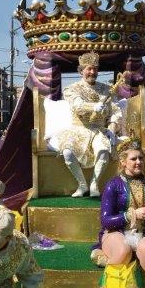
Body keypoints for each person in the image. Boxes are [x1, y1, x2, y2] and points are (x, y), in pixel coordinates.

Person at [86, 139, 145, 288]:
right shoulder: (113, 185)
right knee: (123, 250)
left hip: (143, 232)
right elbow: (106, 221)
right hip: (115, 232)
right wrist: (131, 215)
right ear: (123, 162)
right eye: (133, 159)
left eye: (141, 158)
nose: (138, 162)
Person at [51, 51, 124, 197]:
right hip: (79, 129)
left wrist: (112, 128)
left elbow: (115, 111)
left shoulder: (107, 89)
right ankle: (82, 184)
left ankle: (94, 184)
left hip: (99, 130)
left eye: (95, 69)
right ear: (81, 71)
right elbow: (77, 105)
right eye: (89, 69)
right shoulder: (71, 89)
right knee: (67, 153)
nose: (92, 72)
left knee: (104, 151)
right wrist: (94, 106)